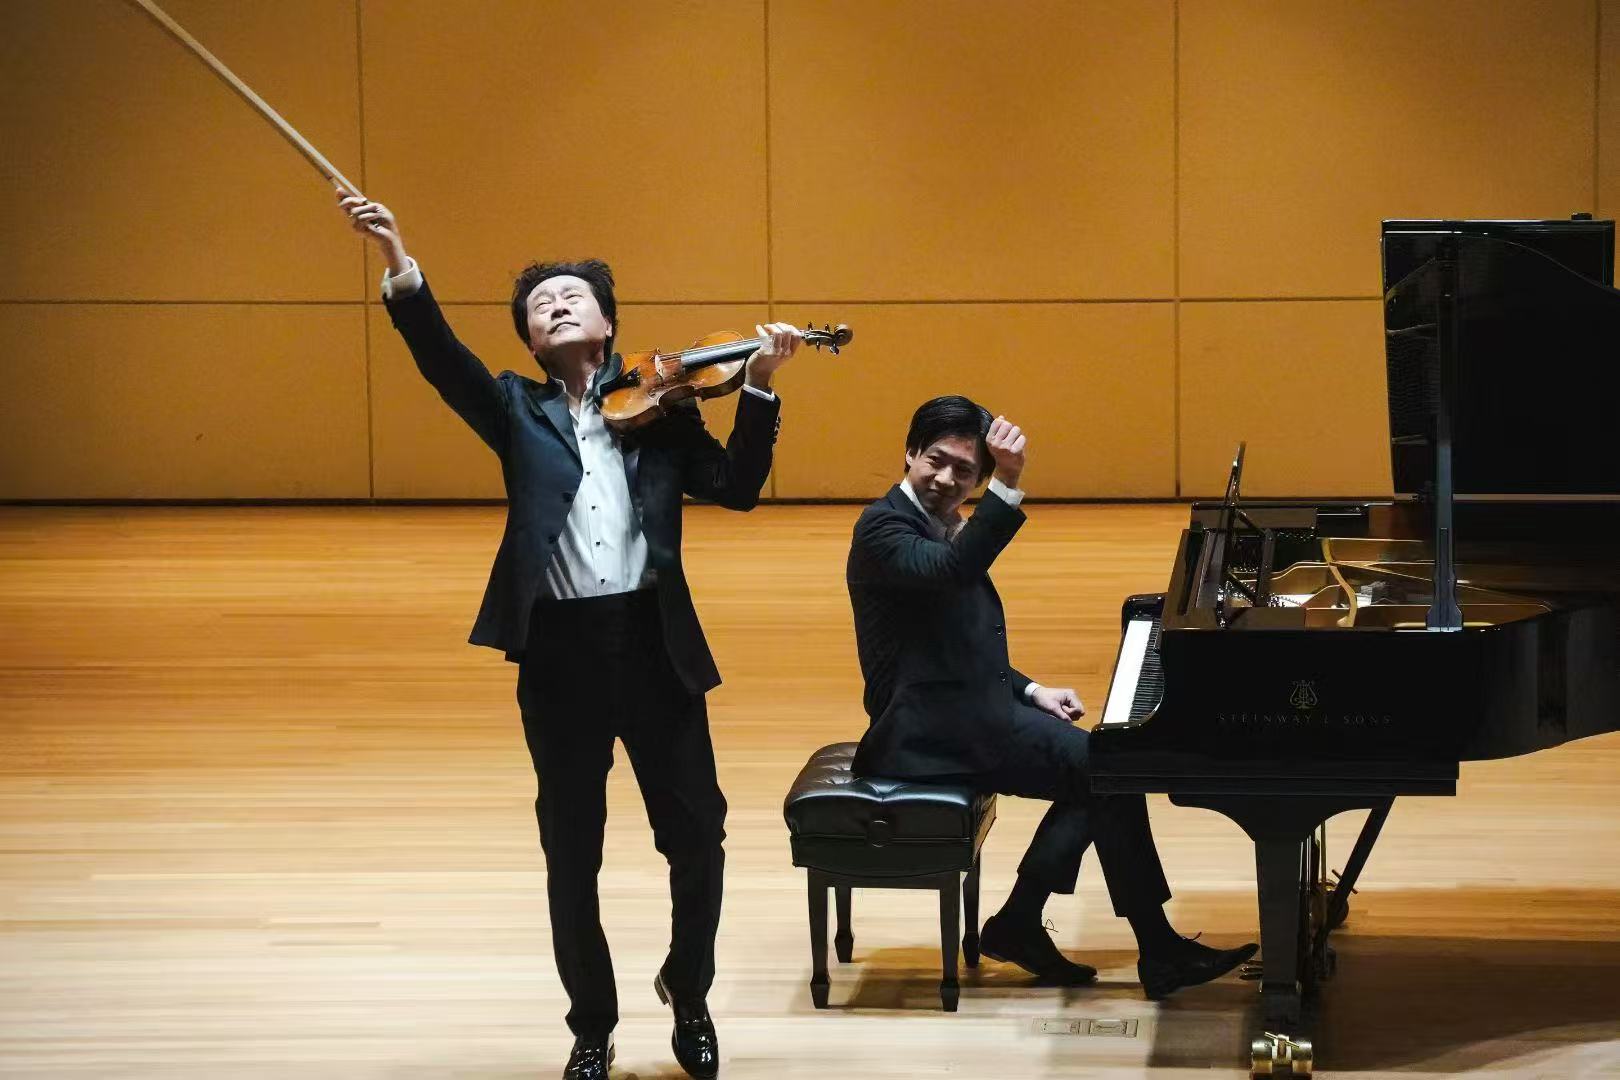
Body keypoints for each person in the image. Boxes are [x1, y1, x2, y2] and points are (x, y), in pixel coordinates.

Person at [339, 190, 802, 1080]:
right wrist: (398, 256)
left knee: (696, 837)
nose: (555, 304)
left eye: (571, 296)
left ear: (608, 322)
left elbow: (738, 487)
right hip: (559, 655)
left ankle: (690, 991)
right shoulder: (516, 410)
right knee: (571, 851)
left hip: (654, 646)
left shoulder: (664, 409)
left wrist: (762, 386)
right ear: (531, 341)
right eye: (539, 305)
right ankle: (592, 1024)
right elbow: (440, 359)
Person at [846, 395, 1257, 996]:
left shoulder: (939, 526)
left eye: (966, 471)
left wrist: (1030, 689)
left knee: (1106, 773)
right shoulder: (882, 528)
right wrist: (1007, 485)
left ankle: (1031, 925)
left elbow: (951, 644)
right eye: (935, 460)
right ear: (908, 453)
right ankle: (1139, 947)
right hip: (924, 731)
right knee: (1110, 771)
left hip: (962, 710)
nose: (945, 478)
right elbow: (951, 572)